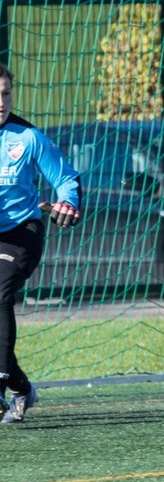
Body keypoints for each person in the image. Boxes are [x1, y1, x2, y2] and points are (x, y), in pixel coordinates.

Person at [0, 63, 83, 423]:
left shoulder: (28, 137)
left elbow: (66, 180)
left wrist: (69, 202)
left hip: (21, 234)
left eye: (5, 93)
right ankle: (21, 388)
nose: (1, 101)